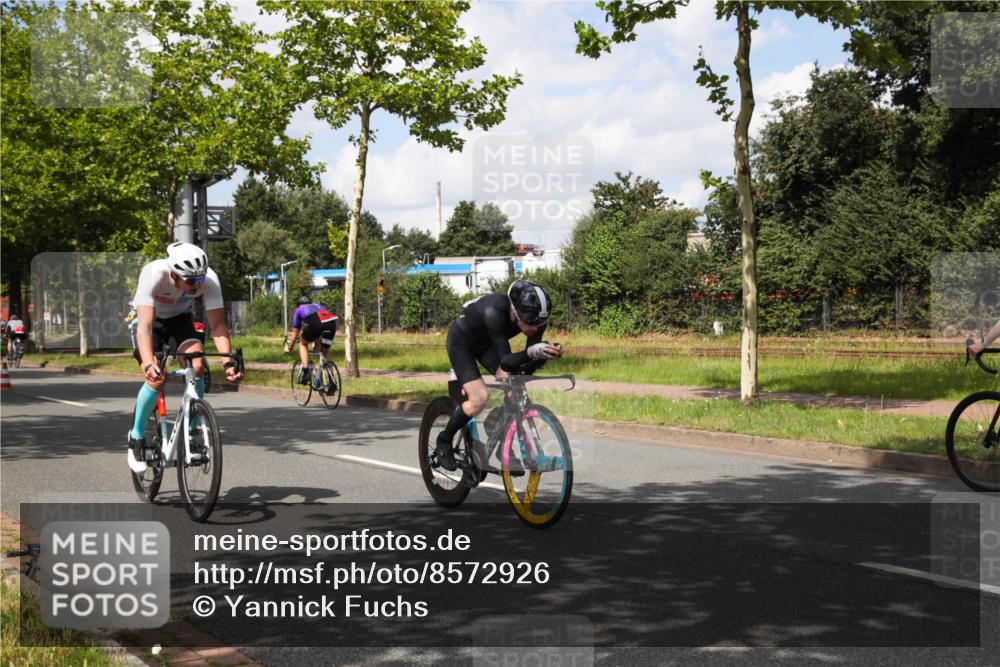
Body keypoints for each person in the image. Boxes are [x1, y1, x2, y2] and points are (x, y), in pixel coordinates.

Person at [126, 242, 243, 473]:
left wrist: (228, 363)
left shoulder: (208, 279)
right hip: (150, 322)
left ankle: (193, 425)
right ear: (173, 274)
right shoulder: (153, 273)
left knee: (197, 366)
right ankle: (136, 435)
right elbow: (145, 327)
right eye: (190, 282)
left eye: (199, 281)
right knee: (156, 378)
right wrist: (149, 363)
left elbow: (218, 325)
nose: (196, 286)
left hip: (180, 320)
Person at [435, 279, 563, 471]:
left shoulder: (536, 317)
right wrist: (532, 352)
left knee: (515, 386)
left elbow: (524, 366)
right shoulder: (493, 311)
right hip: (462, 342)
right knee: (479, 398)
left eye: (540, 323)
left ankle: (499, 432)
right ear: (515, 312)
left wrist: (545, 354)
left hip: (487, 343)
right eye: (531, 322)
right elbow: (506, 361)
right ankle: (444, 440)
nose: (536, 328)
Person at [285, 295, 337, 384]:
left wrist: (289, 348)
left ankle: (306, 373)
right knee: (325, 350)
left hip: (317, 323)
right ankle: (332, 381)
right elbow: (321, 326)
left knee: (302, 343)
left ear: (298, 305)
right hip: (331, 324)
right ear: (310, 303)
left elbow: (295, 333)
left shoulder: (299, 310)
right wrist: (317, 342)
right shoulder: (319, 306)